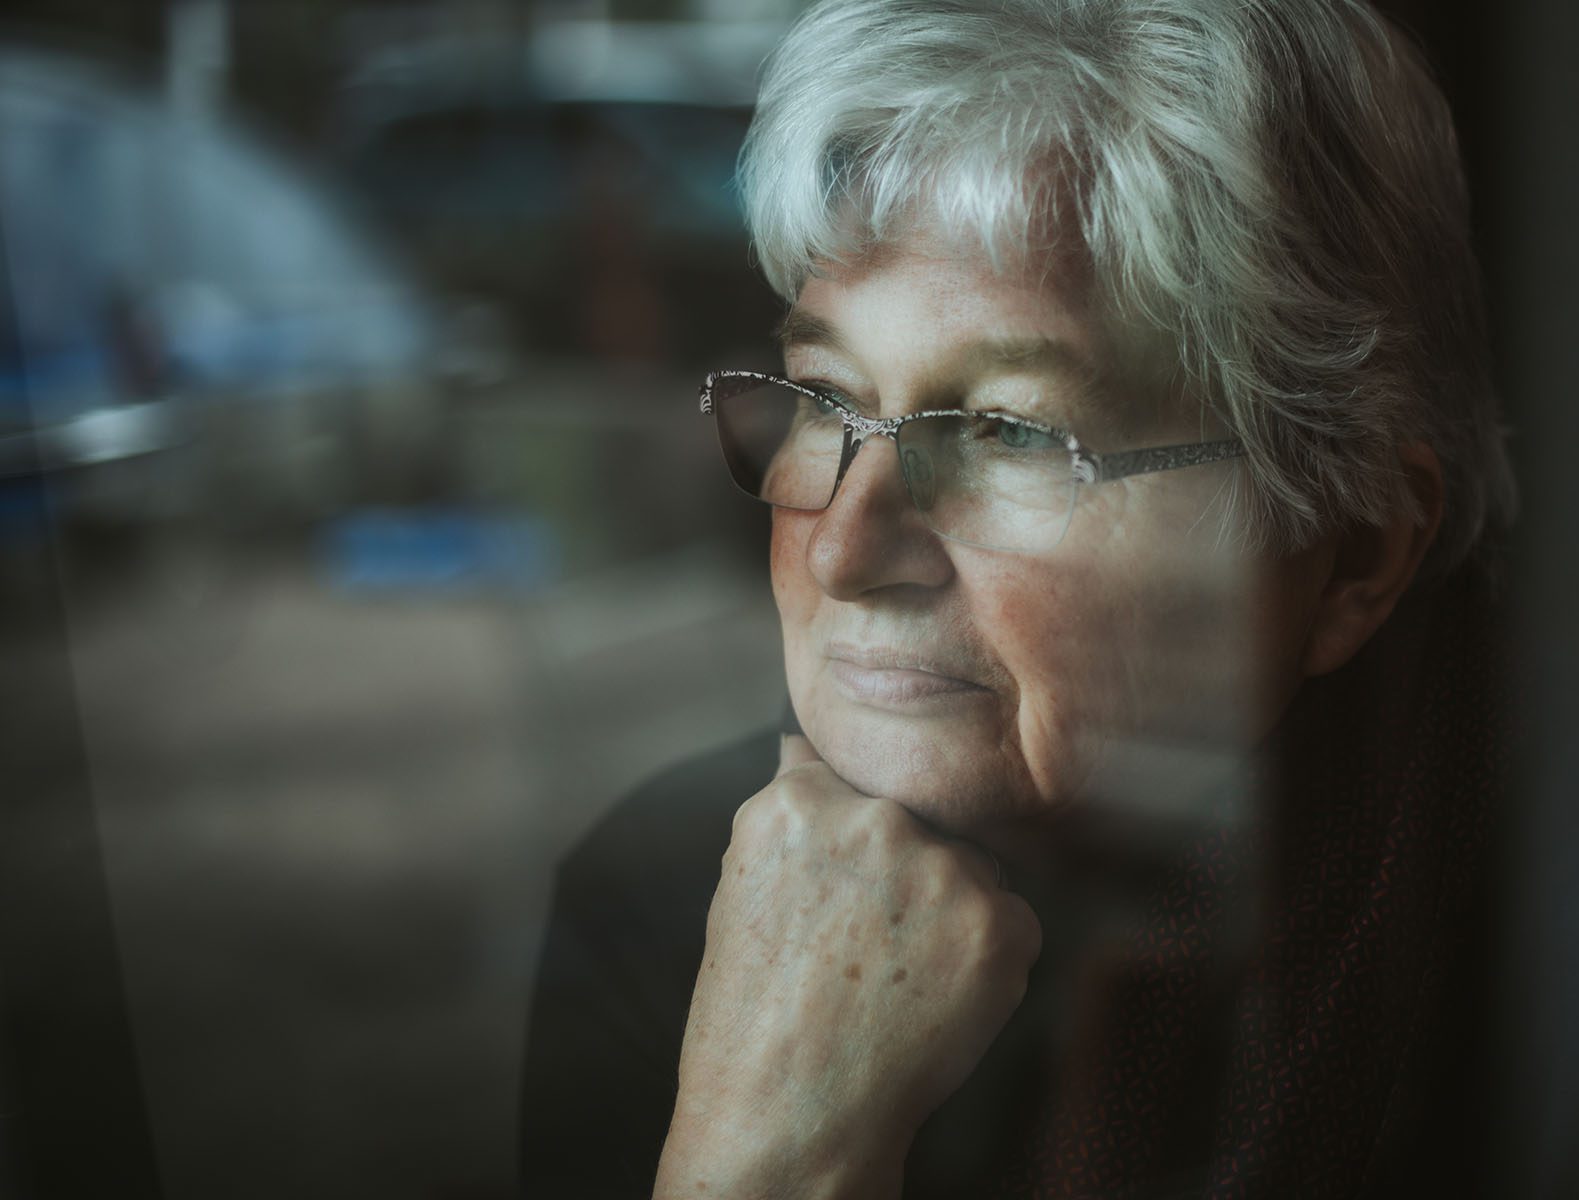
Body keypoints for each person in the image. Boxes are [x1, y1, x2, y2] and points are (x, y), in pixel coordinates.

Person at [521, 1, 1516, 1196]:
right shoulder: (658, 898)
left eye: (1007, 432)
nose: (842, 551)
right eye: (826, 394)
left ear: (1353, 554)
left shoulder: (1568, 973)